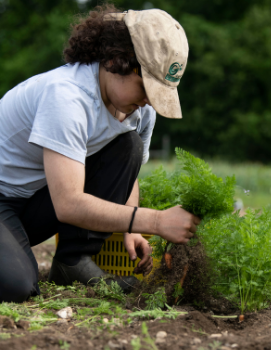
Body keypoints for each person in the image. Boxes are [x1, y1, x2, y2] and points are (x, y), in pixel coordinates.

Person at [0, 5, 199, 302]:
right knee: (16, 287)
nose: (148, 101)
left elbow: (127, 173)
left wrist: (131, 230)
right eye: (146, 87)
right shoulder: (67, 97)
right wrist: (154, 221)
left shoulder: (139, 112)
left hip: (35, 201)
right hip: (7, 197)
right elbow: (68, 204)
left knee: (128, 145)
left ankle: (72, 263)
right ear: (116, 60)